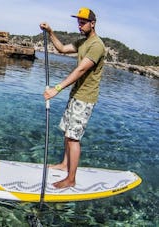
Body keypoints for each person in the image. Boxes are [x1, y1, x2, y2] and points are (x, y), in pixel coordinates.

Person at [39, 7, 106, 188]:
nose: (80, 25)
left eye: (83, 22)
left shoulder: (97, 45)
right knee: (68, 133)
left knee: (74, 137)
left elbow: (81, 69)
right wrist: (51, 32)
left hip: (85, 97)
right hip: (76, 94)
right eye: (78, 21)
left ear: (93, 23)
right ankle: (64, 164)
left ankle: (71, 179)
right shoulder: (82, 43)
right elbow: (61, 49)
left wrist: (57, 88)